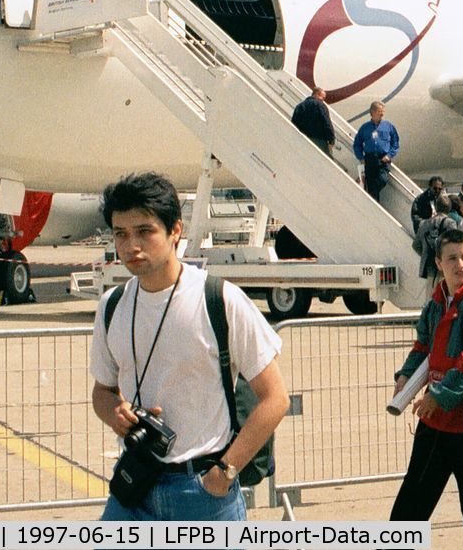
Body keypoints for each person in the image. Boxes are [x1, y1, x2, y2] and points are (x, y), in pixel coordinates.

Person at [90, 172, 288, 521]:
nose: (131, 245)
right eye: (120, 233)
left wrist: (223, 474)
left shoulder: (219, 299)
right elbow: (103, 391)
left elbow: (274, 399)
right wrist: (114, 413)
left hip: (202, 491)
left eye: (144, 231)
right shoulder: (112, 305)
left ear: (175, 231)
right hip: (134, 487)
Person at [390, 228, 463, 549]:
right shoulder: (436, 303)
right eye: (452, 258)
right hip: (434, 428)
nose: (461, 264)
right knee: (409, 511)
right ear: (439, 262)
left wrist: (439, 397)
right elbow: (422, 346)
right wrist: (406, 377)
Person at [352, 101, 401, 200]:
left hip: (383, 159)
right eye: (379, 111)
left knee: (382, 180)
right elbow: (357, 144)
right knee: (371, 187)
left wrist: (389, 155)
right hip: (369, 160)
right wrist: (361, 157)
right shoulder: (365, 128)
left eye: (383, 111)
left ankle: (372, 195)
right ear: (372, 112)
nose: (382, 113)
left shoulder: (388, 126)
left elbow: (395, 143)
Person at [290, 85, 334, 152]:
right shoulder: (320, 105)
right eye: (322, 97)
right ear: (317, 94)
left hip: (303, 140)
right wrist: (331, 140)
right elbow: (326, 122)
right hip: (319, 141)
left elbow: (294, 122)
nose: (323, 100)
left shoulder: (300, 106)